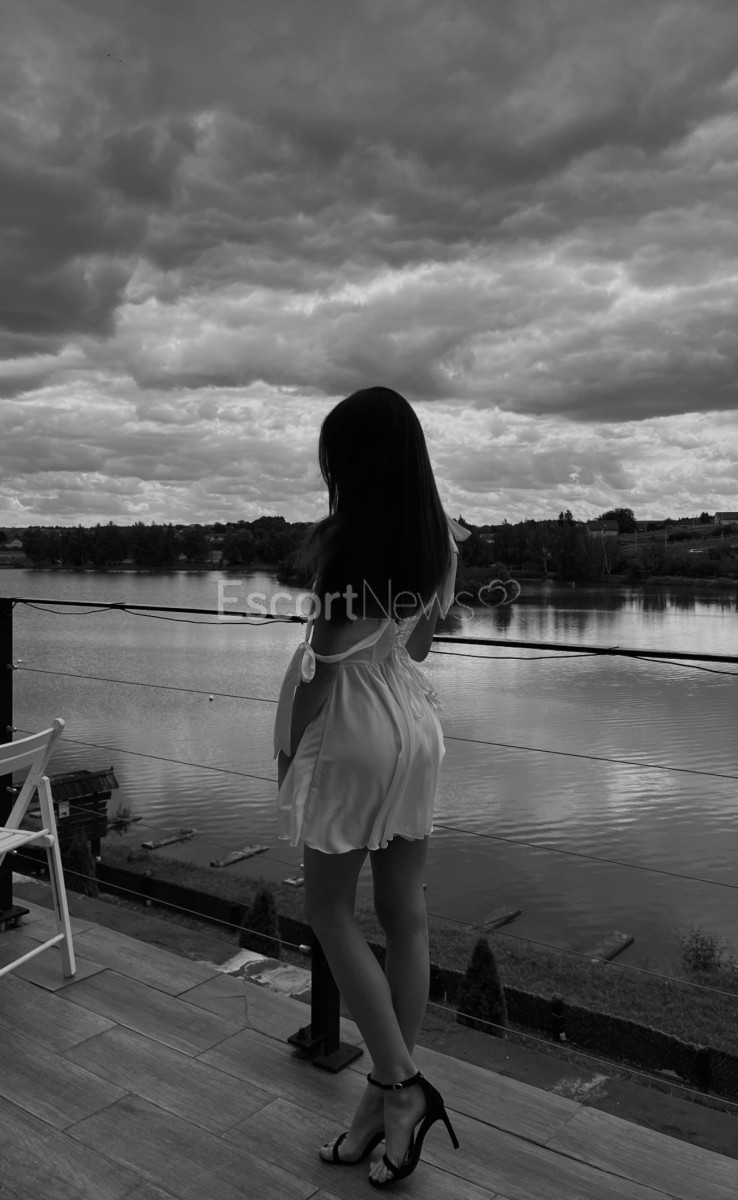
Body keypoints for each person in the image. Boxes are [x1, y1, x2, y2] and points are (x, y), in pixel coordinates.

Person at [273, 386, 468, 1188]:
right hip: (415, 728)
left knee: (327, 909)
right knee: (404, 914)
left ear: (350, 462)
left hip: (353, 732)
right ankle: (381, 1106)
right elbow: (414, 650)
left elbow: (322, 671)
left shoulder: (347, 544)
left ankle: (402, 1086)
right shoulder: (439, 539)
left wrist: (289, 756)